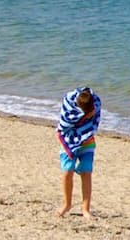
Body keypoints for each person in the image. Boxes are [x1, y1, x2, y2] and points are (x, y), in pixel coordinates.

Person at [56, 87, 100, 217]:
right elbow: (61, 128)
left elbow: (94, 123)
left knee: (86, 172)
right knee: (67, 171)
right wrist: (83, 116)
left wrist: (90, 115)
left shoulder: (96, 102)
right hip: (68, 142)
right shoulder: (69, 106)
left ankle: (86, 209)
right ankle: (67, 204)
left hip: (88, 142)